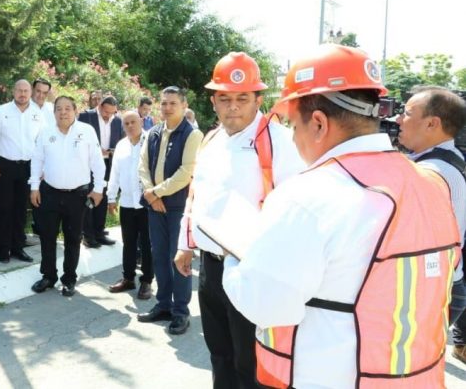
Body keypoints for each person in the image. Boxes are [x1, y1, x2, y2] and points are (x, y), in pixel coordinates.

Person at [224, 45, 460, 388]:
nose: (293, 137)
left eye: (293, 125)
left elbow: (266, 304)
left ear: (318, 123)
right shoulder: (430, 184)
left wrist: (235, 261)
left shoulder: (309, 195)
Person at [174, 52, 305, 388]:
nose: (233, 107)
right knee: (219, 353)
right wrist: (185, 245)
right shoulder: (212, 139)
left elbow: (297, 211)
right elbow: (196, 195)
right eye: (225, 99)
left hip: (253, 269)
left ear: (258, 99)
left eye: (242, 98)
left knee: (250, 360)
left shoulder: (279, 143)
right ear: (214, 101)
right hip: (211, 268)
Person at [395, 86, 466, 360]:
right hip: (447, 284)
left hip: (434, 288)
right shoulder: (442, 161)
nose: (398, 119)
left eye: (407, 113)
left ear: (432, 123)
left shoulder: (431, 173)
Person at [137, 86, 203, 335]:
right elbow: (142, 165)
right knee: (158, 255)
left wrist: (157, 192)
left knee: (179, 259)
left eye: (172, 103)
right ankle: (163, 305)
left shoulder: (192, 134)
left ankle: (180, 312)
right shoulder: (153, 132)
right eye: (163, 103)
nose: (167, 107)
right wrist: (150, 195)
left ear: (184, 105)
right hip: (155, 206)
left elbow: (187, 172)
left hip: (178, 207)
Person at [29, 96, 105, 296]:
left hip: (77, 195)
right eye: (59, 109)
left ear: (75, 111)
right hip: (49, 193)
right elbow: (37, 160)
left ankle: (69, 278)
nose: (63, 112)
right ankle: (48, 276)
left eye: (67, 108)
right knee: (47, 236)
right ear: (53, 112)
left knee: (73, 238)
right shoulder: (46, 132)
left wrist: (99, 188)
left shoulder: (86, 132)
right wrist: (34, 187)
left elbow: (97, 161)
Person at [0, 80, 41, 264]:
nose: (22, 94)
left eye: (26, 91)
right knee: (5, 208)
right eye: (19, 90)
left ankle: (18, 247)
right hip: (4, 166)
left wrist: (40, 169)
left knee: (21, 209)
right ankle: (4, 249)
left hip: (27, 166)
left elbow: (41, 143)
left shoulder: (37, 114)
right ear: (13, 91)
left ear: (31, 92)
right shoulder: (1, 111)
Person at [106, 110, 153, 300]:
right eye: (126, 124)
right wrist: (111, 197)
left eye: (133, 122)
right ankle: (128, 278)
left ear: (141, 121)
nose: (130, 126)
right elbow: (115, 173)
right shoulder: (121, 145)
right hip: (126, 202)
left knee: (148, 244)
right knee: (129, 243)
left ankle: (147, 281)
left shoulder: (151, 141)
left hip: (147, 202)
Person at [78, 95, 123, 247]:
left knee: (103, 198)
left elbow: (120, 141)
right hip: (88, 164)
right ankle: (87, 235)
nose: (108, 116)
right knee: (90, 198)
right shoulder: (86, 116)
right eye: (106, 112)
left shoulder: (117, 121)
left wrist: (112, 151)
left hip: (108, 163)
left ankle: (99, 232)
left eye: (112, 113)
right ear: (99, 106)